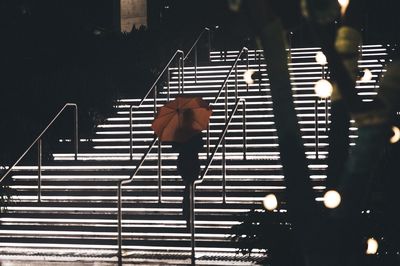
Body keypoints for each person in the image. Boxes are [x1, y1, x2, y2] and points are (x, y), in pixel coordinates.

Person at [172, 133, 204, 229]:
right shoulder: (195, 130)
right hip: (192, 161)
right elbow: (201, 145)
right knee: (189, 188)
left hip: (184, 161)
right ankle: (188, 215)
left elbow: (174, 147)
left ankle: (187, 215)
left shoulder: (179, 130)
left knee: (188, 188)